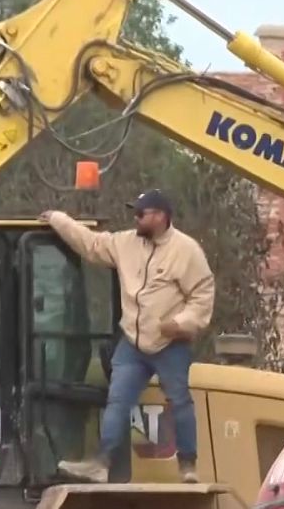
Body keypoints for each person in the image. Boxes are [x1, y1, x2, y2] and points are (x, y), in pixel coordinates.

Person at [38, 189, 215, 484]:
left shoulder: (187, 251)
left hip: (170, 344)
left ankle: (187, 466)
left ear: (160, 216)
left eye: (141, 213)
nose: (135, 218)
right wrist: (58, 219)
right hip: (133, 343)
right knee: (117, 400)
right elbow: (91, 244)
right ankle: (102, 464)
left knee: (179, 400)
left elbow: (203, 295)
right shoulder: (124, 243)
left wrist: (180, 323)